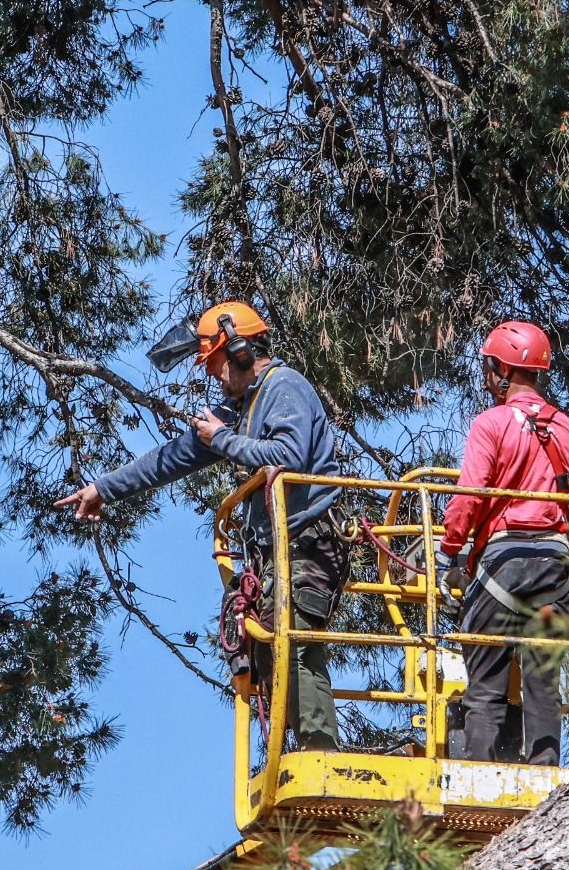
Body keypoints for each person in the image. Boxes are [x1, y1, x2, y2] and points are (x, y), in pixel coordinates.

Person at [53, 301, 348, 752]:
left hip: (308, 541)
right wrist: (103, 488)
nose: (212, 376)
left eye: (214, 364)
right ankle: (294, 754)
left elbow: (287, 456)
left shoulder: (283, 386)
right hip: (275, 552)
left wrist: (223, 440)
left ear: (242, 351)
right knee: (267, 649)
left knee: (296, 641)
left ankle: (321, 755)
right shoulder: (238, 412)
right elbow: (168, 459)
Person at [438, 321, 569, 766]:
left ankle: (480, 773)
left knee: (485, 684)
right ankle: (546, 774)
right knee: (543, 682)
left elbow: (470, 497)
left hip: (503, 562)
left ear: (500, 370)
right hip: (554, 564)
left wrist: (449, 550)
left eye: (489, 368)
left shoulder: (492, 423)